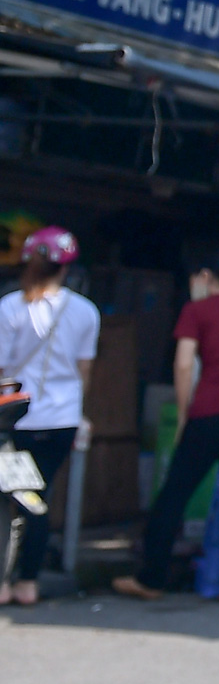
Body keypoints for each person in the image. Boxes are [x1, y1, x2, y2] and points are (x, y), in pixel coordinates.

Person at [114, 251, 219, 604]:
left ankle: (152, 578)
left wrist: (186, 411)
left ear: (205, 276)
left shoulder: (196, 312)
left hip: (209, 412)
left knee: (174, 494)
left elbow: (184, 363)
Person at [0, 226, 98, 604]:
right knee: (37, 498)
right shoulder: (85, 311)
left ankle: (4, 581)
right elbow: (84, 371)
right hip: (62, 420)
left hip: (13, 419)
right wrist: (80, 409)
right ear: (67, 267)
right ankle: (28, 583)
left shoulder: (10, 307)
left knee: (8, 503)